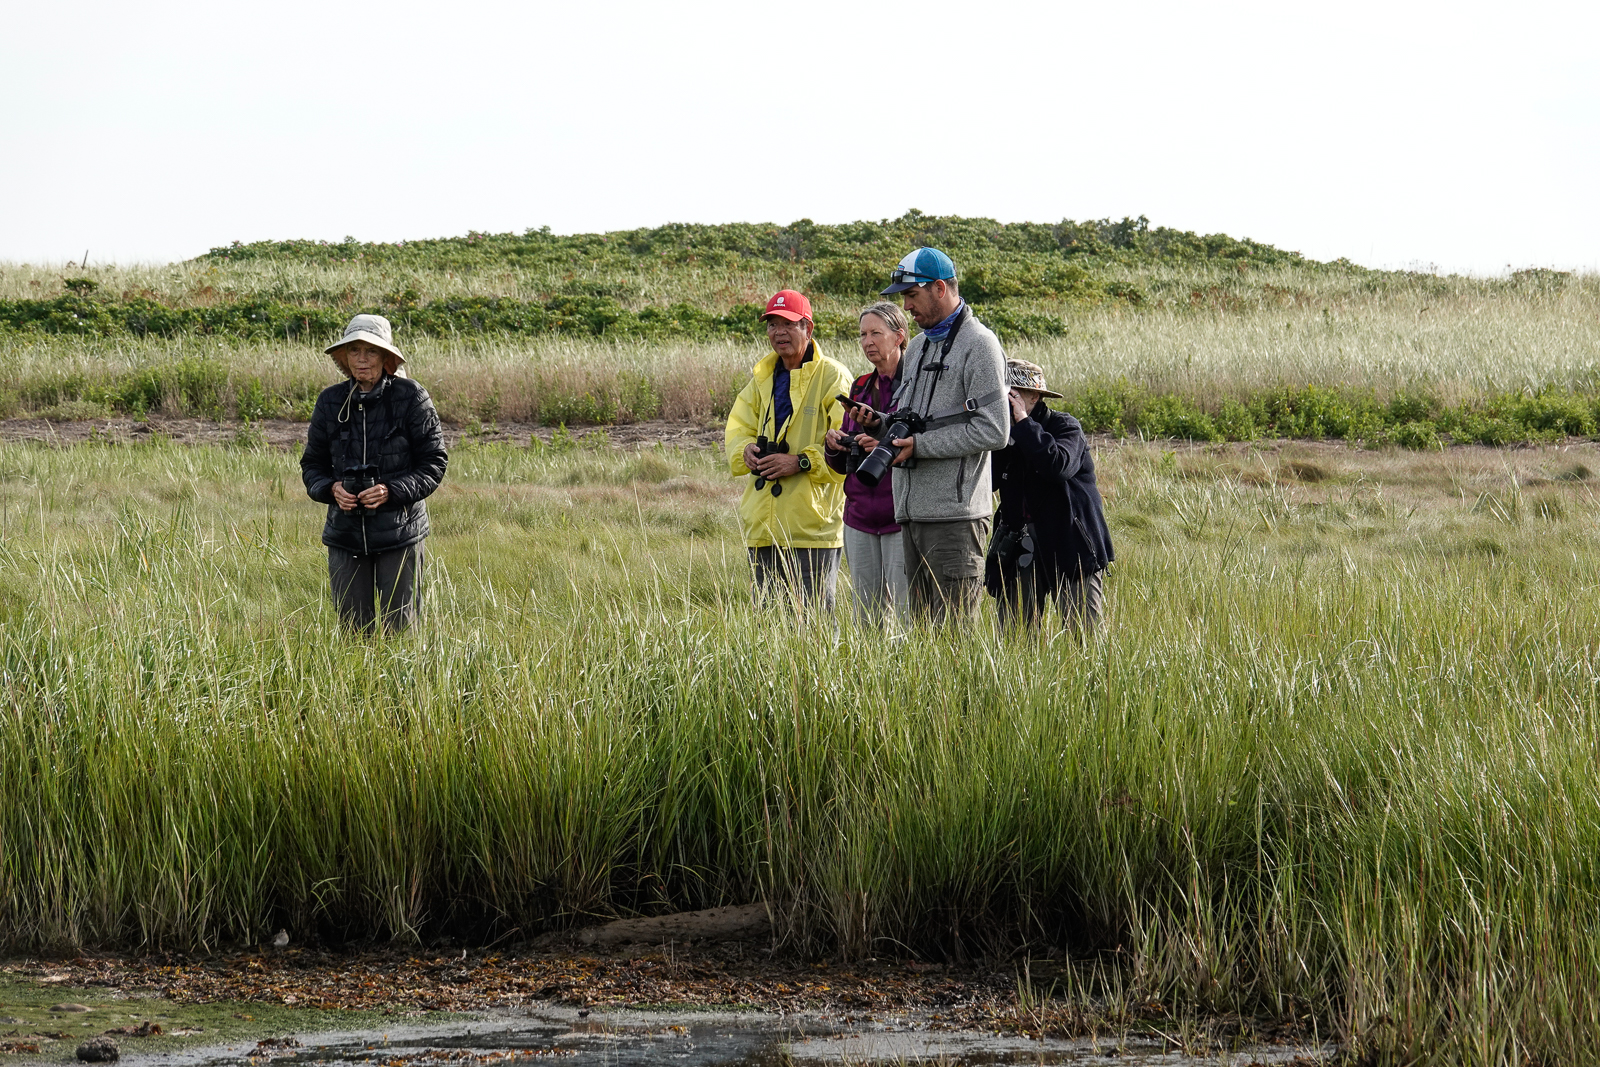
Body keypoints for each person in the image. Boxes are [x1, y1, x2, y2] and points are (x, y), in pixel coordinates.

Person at [875, 247, 1010, 624]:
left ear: (938, 288)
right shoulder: (917, 346)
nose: (905, 306)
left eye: (911, 294)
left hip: (956, 518)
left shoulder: (980, 344)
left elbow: (995, 429)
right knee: (924, 642)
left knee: (953, 640)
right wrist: (878, 426)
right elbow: (913, 417)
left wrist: (921, 446)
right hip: (912, 514)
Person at [301, 313, 448, 634]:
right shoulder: (330, 401)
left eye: (371, 351)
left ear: (386, 358)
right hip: (345, 533)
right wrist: (331, 489)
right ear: (344, 357)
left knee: (401, 630)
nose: (362, 359)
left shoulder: (411, 397)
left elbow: (434, 463)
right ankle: (359, 685)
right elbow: (312, 465)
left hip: (400, 532)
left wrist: (390, 491)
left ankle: (405, 685)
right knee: (354, 632)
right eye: (354, 351)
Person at [724, 290, 851, 610]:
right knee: (769, 626)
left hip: (811, 524)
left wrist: (801, 461)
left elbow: (848, 442)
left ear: (808, 328)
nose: (778, 332)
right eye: (772, 325)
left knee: (815, 622)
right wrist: (745, 450)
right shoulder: (761, 377)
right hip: (763, 522)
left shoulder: (833, 376)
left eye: (788, 324)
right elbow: (738, 427)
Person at [986, 359, 1114, 634]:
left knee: (1085, 637)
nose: (1007, 400)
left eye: (1014, 392)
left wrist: (1023, 423)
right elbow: (988, 482)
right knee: (1015, 638)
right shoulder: (1002, 434)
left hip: (1070, 545)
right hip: (1020, 545)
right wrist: (1000, 437)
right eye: (1002, 392)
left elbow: (1057, 467)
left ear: (1035, 396)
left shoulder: (1065, 427)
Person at [824, 302, 910, 627]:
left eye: (876, 333)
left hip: (900, 515)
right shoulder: (860, 386)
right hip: (859, 515)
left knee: (905, 618)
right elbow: (844, 462)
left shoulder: (916, 386)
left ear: (899, 336)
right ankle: (869, 678)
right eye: (862, 334)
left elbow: (920, 442)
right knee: (866, 621)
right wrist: (835, 445)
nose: (867, 341)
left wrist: (883, 444)